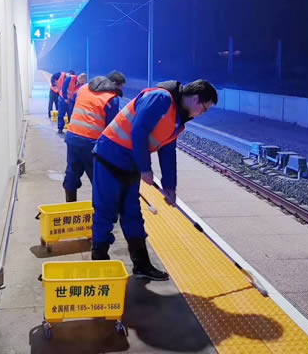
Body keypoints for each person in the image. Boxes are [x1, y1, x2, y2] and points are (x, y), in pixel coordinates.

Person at [90, 79, 218, 280]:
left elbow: (168, 152)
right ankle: (98, 264)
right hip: (110, 157)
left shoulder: (178, 120)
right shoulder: (160, 98)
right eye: (204, 108)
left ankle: (141, 265)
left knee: (132, 213)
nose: (202, 113)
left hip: (131, 163)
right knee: (106, 211)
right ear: (195, 98)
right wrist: (145, 168)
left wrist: (170, 186)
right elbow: (139, 130)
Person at [62, 71, 126, 202]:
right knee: (99, 178)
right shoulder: (111, 98)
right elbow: (111, 128)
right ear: (114, 84)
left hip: (72, 137)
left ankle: (69, 205)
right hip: (92, 144)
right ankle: (101, 210)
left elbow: (72, 108)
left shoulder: (83, 89)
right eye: (120, 87)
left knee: (72, 172)